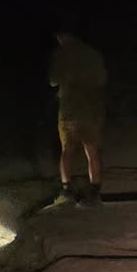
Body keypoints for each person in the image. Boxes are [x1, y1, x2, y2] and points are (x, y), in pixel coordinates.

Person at [48, 29, 107, 207]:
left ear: (61, 36)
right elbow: (102, 80)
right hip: (90, 110)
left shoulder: (61, 54)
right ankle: (94, 192)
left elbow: (53, 80)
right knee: (92, 152)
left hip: (69, 110)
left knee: (67, 151)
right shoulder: (93, 54)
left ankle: (67, 191)